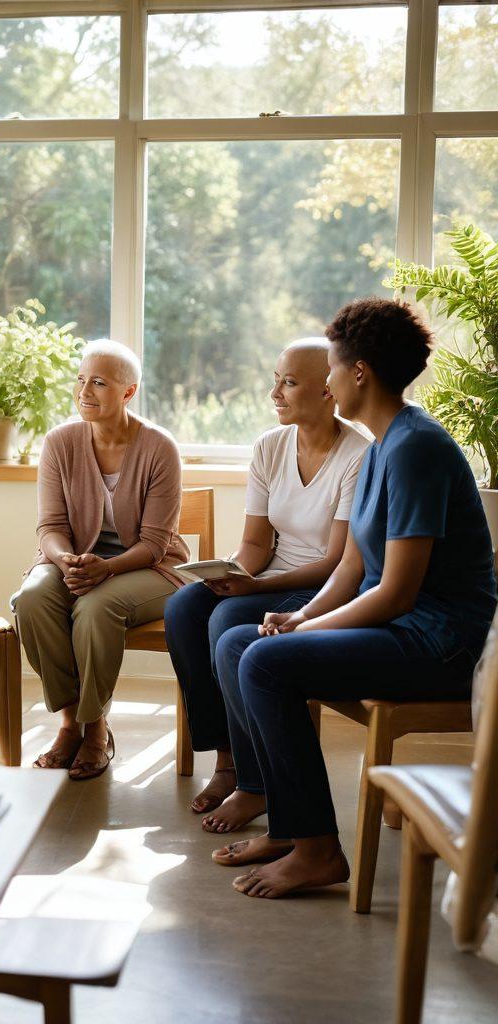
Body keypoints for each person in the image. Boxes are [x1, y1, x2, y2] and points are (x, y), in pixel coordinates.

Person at [214, 297, 497, 899]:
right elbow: (351, 566)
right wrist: (301, 614)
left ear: (358, 372)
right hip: (400, 628)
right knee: (239, 638)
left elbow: (395, 593)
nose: (330, 380)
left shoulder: (416, 449)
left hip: (439, 642)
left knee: (264, 661)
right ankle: (291, 828)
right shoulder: (380, 444)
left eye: (335, 367)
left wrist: (306, 635)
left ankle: (316, 850)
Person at [163, 339, 369, 828]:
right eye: (276, 378)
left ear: (328, 390)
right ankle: (228, 758)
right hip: (271, 576)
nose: (274, 392)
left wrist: (249, 592)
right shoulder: (269, 445)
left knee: (231, 618)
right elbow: (256, 543)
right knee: (186, 606)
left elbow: (336, 562)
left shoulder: (359, 456)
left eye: (289, 382)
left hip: (323, 588)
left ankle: (255, 781)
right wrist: (230, 573)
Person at [12, 340, 188, 780]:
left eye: (99, 383)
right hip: (76, 560)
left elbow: (153, 542)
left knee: (95, 607)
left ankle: (94, 730)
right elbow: (50, 525)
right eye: (80, 379)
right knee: (31, 598)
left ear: (128, 393)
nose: (84, 391)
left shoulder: (159, 448)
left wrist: (106, 568)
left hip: (151, 567)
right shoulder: (60, 442)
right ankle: (72, 721)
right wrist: (66, 560)